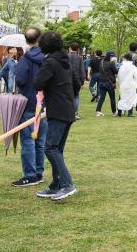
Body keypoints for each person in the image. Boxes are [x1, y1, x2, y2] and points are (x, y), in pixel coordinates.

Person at [32, 31, 81, 201]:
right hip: (67, 109)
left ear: (43, 45)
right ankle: (55, 185)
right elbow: (76, 84)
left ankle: (67, 185)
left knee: (50, 148)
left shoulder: (50, 62)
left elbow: (37, 83)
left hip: (58, 110)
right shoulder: (65, 61)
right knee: (56, 149)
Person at [12, 27, 47, 187]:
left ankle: (31, 174)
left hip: (29, 103)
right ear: (40, 39)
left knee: (28, 140)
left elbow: (19, 79)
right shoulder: (48, 57)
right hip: (45, 104)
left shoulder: (25, 59)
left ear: (26, 42)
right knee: (40, 140)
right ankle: (38, 172)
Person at [116, 53, 137, 117]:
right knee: (131, 98)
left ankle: (119, 111)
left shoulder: (121, 67)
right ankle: (130, 112)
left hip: (123, 85)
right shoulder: (133, 67)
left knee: (122, 97)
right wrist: (136, 84)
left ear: (124, 58)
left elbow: (119, 76)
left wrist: (121, 83)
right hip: (131, 84)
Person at [96, 51, 118, 117]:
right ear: (111, 57)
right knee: (112, 98)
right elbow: (116, 71)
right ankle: (114, 112)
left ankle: (98, 111)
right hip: (109, 83)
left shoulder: (101, 63)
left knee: (102, 98)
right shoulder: (111, 63)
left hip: (102, 82)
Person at [67, 42, 84, 120]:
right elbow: (82, 70)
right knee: (76, 96)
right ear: (77, 49)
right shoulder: (80, 58)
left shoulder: (66, 56)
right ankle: (75, 112)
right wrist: (82, 81)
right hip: (77, 79)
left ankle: (67, 111)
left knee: (67, 96)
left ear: (70, 48)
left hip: (67, 78)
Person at [128, 42, 137, 114]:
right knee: (135, 92)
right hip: (133, 76)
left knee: (123, 92)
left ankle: (121, 108)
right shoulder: (136, 57)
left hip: (125, 76)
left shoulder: (124, 55)